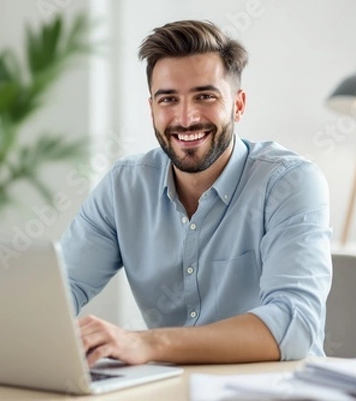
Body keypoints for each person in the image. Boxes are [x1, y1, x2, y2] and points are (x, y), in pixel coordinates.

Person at [59, 20, 332, 367]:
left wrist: (145, 343)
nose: (186, 118)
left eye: (205, 96)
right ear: (152, 109)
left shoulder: (291, 183)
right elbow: (56, 293)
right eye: (168, 99)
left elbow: (295, 326)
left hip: (277, 389)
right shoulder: (123, 187)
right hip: (174, 389)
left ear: (239, 104)